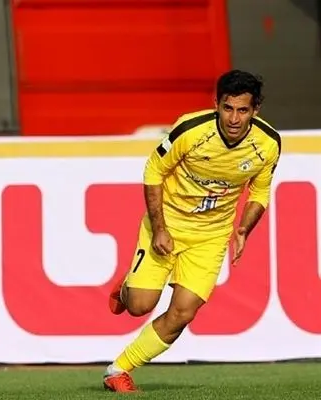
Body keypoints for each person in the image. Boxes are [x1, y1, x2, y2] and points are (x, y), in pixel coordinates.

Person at [103, 70, 281, 392]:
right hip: (168, 225)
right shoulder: (190, 130)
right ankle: (129, 287)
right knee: (140, 306)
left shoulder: (268, 144)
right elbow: (154, 170)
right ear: (216, 104)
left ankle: (118, 370)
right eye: (227, 108)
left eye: (243, 110)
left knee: (183, 312)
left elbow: (260, 190)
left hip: (210, 237)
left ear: (255, 110)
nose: (234, 119)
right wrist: (159, 228)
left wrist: (244, 228)